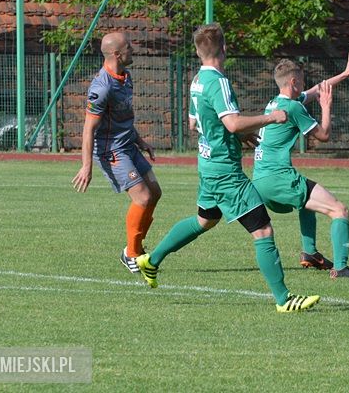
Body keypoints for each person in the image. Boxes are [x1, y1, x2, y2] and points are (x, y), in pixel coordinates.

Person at [136, 22, 320, 313]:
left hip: (208, 163)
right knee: (263, 230)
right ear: (224, 49)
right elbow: (231, 121)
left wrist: (240, 136)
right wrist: (270, 118)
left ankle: (151, 260)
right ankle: (284, 299)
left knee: (204, 221)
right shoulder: (218, 81)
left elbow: (199, 124)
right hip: (225, 172)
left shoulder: (197, 80)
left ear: (198, 52)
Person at [252, 50, 349, 278]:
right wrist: (326, 106)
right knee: (339, 210)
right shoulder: (294, 108)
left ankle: (310, 254)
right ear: (293, 82)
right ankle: (341, 268)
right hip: (278, 177)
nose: (305, 85)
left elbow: (316, 90)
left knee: (306, 203)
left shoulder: (276, 102)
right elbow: (323, 135)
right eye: (302, 81)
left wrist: (345, 73)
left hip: (261, 180)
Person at [72, 32, 162, 273]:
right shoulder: (101, 88)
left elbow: (122, 118)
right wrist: (86, 166)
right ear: (117, 54)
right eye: (128, 47)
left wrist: (140, 140)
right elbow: (89, 128)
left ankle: (135, 247)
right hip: (112, 151)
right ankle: (132, 254)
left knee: (155, 192)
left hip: (128, 145)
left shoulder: (125, 77)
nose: (133, 50)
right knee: (142, 197)